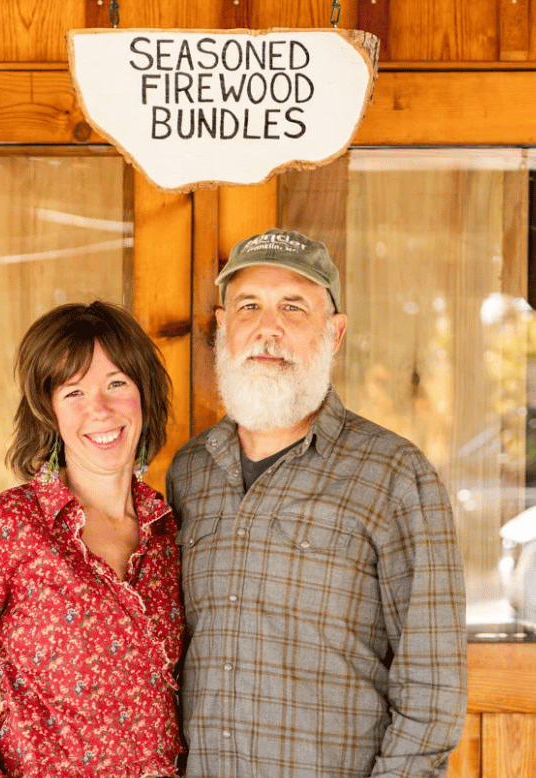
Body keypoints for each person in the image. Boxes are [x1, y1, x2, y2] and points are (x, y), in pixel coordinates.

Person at [167, 229, 467, 778]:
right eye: (249, 306)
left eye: (293, 307)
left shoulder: (395, 475)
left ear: (335, 333)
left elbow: (432, 682)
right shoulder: (190, 472)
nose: (267, 329)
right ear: (223, 324)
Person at [0, 300, 184, 778]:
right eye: (73, 392)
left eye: (117, 384)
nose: (100, 409)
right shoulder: (6, 527)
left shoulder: (170, 530)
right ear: (49, 411)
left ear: (143, 395)